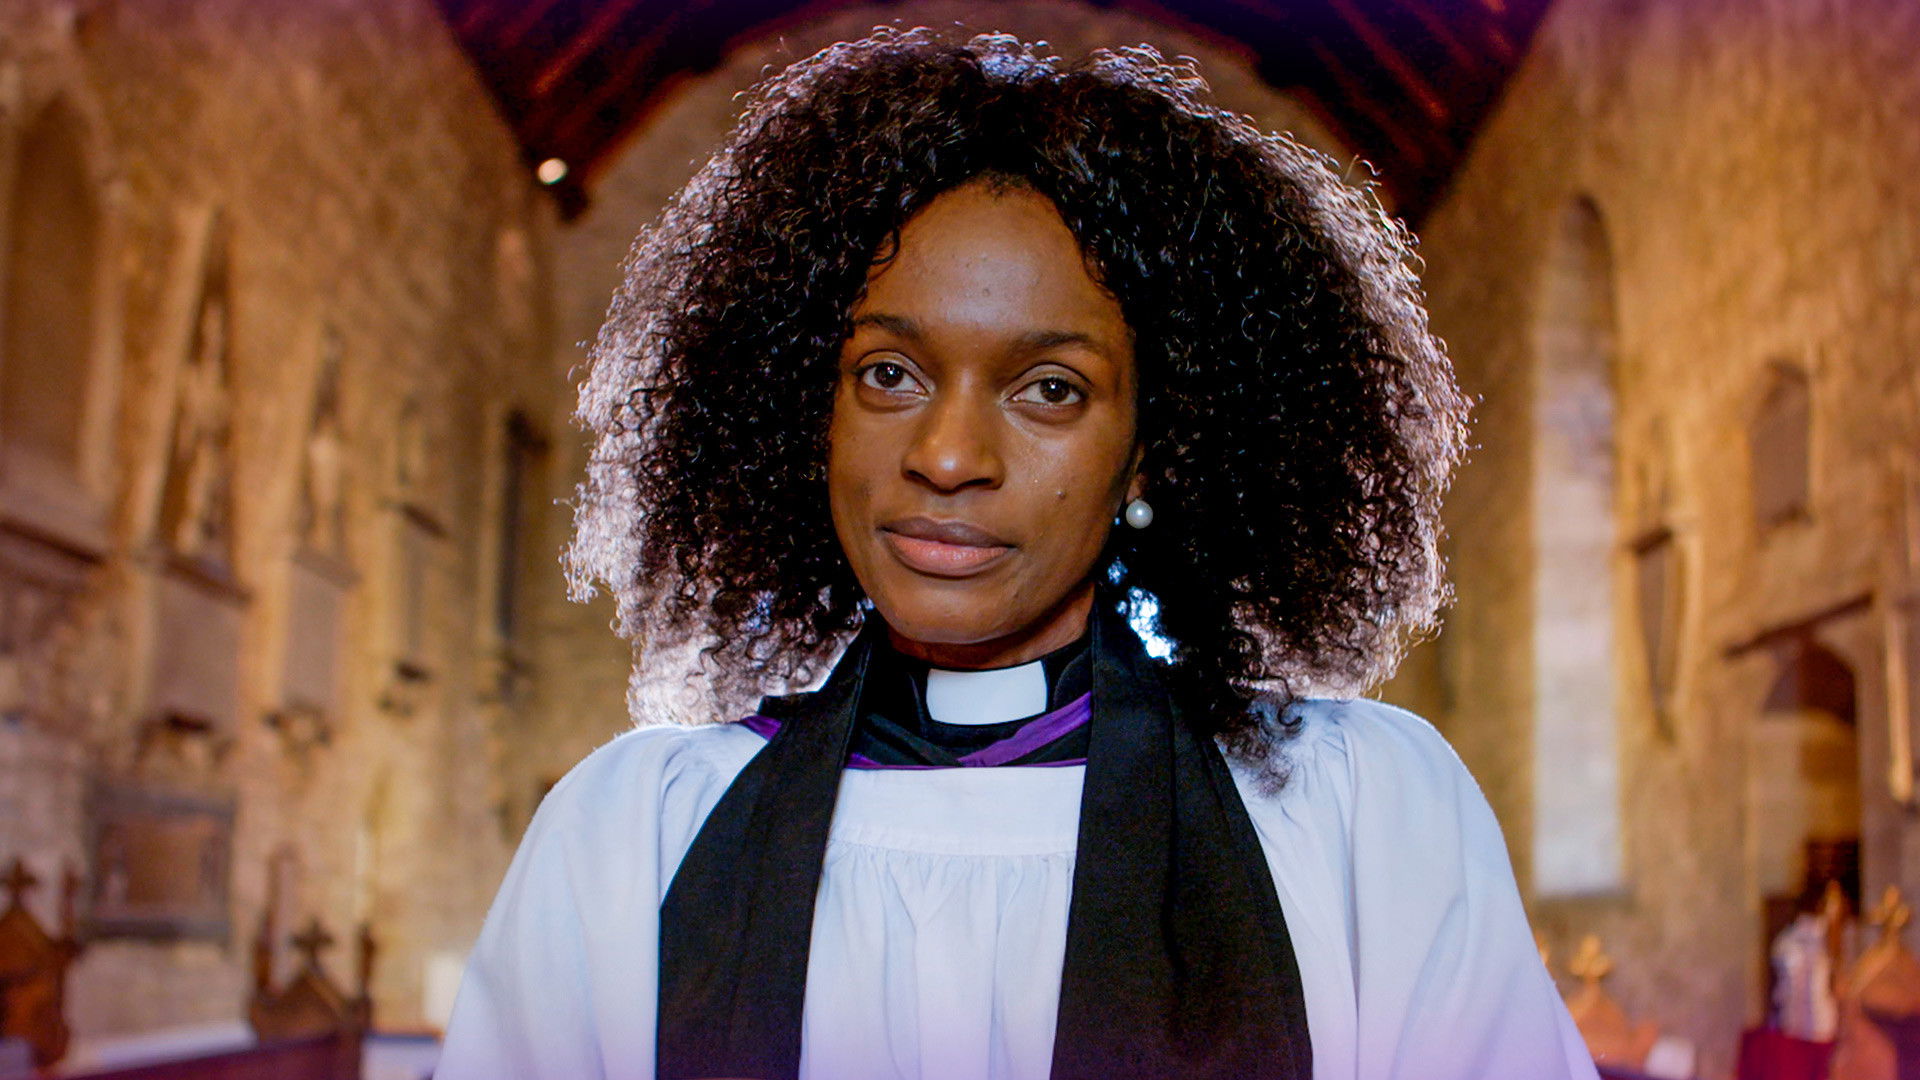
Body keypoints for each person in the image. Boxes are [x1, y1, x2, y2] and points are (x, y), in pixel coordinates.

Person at [437, 27, 1598, 1080]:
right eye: (889, 374)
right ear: (808, 409)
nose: (947, 456)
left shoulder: (1357, 818)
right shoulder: (636, 836)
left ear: (1149, 452)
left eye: (1051, 389)